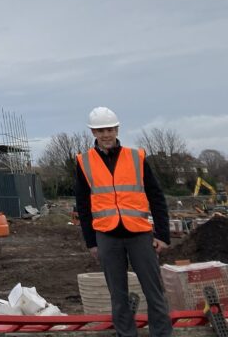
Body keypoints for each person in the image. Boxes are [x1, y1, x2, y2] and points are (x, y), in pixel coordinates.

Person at [74, 106, 172, 337]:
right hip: (107, 236)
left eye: (109, 129)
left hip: (139, 233)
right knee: (118, 295)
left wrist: (163, 235)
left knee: (153, 291)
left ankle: (162, 333)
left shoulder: (136, 157)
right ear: (93, 133)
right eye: (100, 130)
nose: (106, 134)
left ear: (117, 129)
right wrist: (91, 243)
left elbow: (156, 196)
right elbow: (83, 205)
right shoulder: (84, 162)